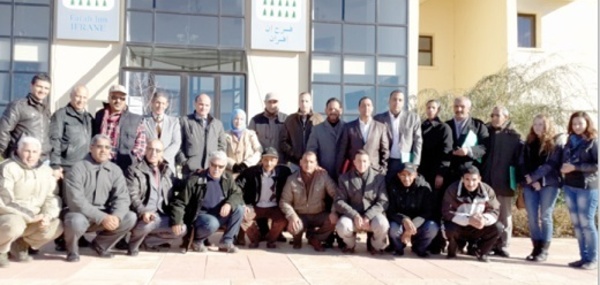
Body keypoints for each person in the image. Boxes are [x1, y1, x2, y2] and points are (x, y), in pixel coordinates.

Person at [63, 134, 137, 262]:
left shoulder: (115, 170)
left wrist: (116, 216)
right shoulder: (77, 169)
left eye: (107, 147)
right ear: (91, 148)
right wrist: (102, 217)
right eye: (99, 147)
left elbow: (123, 198)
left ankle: (100, 245)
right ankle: (72, 250)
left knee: (130, 217)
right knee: (75, 221)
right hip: (81, 214)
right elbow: (76, 201)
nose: (103, 150)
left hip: (106, 215)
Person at [0, 137, 62, 267]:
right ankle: (1, 250)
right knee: (14, 225)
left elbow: (52, 197)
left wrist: (47, 216)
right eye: (26, 151)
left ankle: (20, 244)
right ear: (18, 150)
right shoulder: (7, 167)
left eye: (34, 152)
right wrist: (30, 216)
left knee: (57, 226)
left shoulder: (46, 171)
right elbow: (4, 200)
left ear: (40, 153)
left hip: (35, 216)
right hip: (9, 215)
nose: (30, 155)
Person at [170, 150, 244, 253]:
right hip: (200, 217)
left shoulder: (228, 178)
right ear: (209, 164)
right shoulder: (195, 180)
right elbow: (179, 202)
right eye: (214, 165)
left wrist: (229, 203)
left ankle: (226, 242)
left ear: (225, 167)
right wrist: (177, 221)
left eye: (220, 166)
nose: (216, 169)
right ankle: (197, 241)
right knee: (212, 223)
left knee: (239, 209)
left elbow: (237, 193)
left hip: (219, 214)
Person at [125, 139, 186, 256]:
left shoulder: (167, 171)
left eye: (158, 150)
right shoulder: (133, 170)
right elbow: (132, 195)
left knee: (181, 228)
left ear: (162, 154)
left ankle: (148, 241)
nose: (154, 153)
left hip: (160, 214)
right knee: (148, 224)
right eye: (150, 149)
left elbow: (180, 185)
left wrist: (197, 176)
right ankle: (133, 244)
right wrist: (143, 212)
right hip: (142, 216)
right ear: (145, 150)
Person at [519, 114, 564, 262]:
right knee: (532, 217)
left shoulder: (555, 144)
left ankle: (544, 250)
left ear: (547, 126)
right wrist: (530, 179)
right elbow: (522, 162)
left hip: (549, 184)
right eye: (536, 124)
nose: (538, 127)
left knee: (545, 216)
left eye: (541, 124)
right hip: (530, 184)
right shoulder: (528, 143)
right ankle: (536, 248)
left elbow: (551, 165)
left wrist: (539, 180)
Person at [481, 106, 522, 258]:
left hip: (505, 182)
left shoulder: (515, 137)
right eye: (492, 115)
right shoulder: (485, 133)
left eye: (498, 115)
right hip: (486, 182)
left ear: (506, 117)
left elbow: (520, 161)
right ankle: (488, 244)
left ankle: (503, 245)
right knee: (487, 214)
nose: (494, 118)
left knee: (505, 216)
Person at [560, 111, 598, 270]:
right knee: (577, 224)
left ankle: (593, 258)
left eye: (580, 124)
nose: (577, 127)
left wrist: (575, 167)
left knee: (587, 223)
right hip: (570, 186)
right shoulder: (570, 140)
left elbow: (597, 165)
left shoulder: (593, 142)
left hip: (587, 187)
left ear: (587, 124)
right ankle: (583, 257)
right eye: (574, 124)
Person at [279, 151, 338, 251]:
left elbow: (337, 194)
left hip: (319, 213)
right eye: (305, 161)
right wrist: (292, 216)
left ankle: (315, 238)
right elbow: (284, 201)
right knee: (295, 228)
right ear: (300, 162)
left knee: (333, 221)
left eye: (311, 162)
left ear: (316, 164)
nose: (308, 165)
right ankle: (297, 238)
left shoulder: (323, 176)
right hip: (300, 215)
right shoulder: (292, 179)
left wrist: (334, 212)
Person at [442, 166, 502, 262]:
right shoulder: (452, 189)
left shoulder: (488, 190)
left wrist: (484, 219)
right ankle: (453, 249)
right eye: (467, 179)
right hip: (460, 226)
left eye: (474, 180)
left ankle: (482, 252)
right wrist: (468, 219)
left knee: (498, 227)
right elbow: (447, 212)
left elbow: (494, 210)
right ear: (462, 179)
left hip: (479, 226)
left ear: (479, 179)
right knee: (449, 228)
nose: (470, 183)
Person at [335, 150, 389, 254]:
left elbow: (383, 201)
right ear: (354, 162)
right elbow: (339, 201)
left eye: (364, 161)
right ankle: (350, 244)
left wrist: (368, 216)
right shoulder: (344, 178)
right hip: (353, 216)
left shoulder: (379, 178)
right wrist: (355, 215)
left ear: (369, 162)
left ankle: (375, 246)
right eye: (359, 161)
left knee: (383, 224)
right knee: (342, 225)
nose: (362, 164)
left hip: (373, 216)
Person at [237, 147, 291, 248]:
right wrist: (243, 204)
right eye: (266, 160)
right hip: (255, 206)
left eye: (272, 160)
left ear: (277, 161)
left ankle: (271, 239)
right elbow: (237, 187)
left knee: (283, 219)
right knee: (242, 217)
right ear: (261, 160)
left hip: (274, 206)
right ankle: (255, 238)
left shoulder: (284, 172)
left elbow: (296, 177)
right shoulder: (251, 172)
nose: (268, 163)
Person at [418, 99, 452, 253]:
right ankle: (422, 241)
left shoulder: (444, 128)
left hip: (436, 175)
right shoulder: (421, 126)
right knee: (424, 208)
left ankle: (438, 243)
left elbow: (447, 152)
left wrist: (441, 173)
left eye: (433, 107)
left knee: (436, 209)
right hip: (421, 174)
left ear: (438, 110)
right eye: (428, 107)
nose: (430, 110)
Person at [387, 163, 438, 257]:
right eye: (403, 175)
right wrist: (404, 219)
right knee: (393, 228)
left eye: (409, 175)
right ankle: (398, 248)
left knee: (432, 227)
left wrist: (411, 227)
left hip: (419, 223)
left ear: (415, 174)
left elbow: (428, 212)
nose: (406, 179)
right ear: (398, 175)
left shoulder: (424, 187)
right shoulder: (393, 186)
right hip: (400, 222)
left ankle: (419, 248)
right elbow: (391, 210)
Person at [93, 84, 146, 172]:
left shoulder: (135, 119)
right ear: (109, 98)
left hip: (125, 168)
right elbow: (93, 139)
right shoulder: (99, 116)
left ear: (125, 100)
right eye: (114, 97)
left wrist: (132, 161)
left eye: (122, 98)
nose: (118, 101)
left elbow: (141, 147)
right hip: (100, 165)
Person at [0, 73, 52, 162]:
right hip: (21, 159)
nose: (43, 90)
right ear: (31, 86)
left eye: (46, 88)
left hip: (43, 160)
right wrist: (6, 155)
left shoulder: (46, 110)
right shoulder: (18, 106)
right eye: (39, 86)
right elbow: (3, 130)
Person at [373, 90, 422, 182]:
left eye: (400, 100)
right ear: (389, 101)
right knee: (387, 187)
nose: (397, 102)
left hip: (406, 159)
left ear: (403, 103)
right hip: (387, 161)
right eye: (394, 99)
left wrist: (415, 164)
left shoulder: (413, 118)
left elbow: (418, 142)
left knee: (405, 188)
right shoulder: (378, 119)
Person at [178, 94, 226, 177]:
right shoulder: (185, 121)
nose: (204, 108)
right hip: (190, 171)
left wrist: (217, 164)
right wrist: (184, 162)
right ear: (195, 104)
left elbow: (222, 146)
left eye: (207, 105)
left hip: (211, 170)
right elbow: (178, 145)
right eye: (201, 104)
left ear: (210, 106)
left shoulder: (217, 124)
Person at [338, 97, 389, 174]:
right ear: (359, 108)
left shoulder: (381, 127)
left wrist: (383, 170)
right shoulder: (348, 127)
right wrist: (340, 172)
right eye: (363, 105)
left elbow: (385, 151)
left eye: (369, 105)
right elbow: (342, 151)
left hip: (374, 172)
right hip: (353, 171)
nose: (366, 108)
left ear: (372, 108)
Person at [445, 97, 489, 184]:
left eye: (462, 106)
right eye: (456, 106)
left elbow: (485, 147)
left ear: (469, 109)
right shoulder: (446, 126)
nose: (459, 109)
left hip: (470, 175)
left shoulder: (478, 125)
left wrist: (468, 151)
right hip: (449, 173)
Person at [280, 92, 324, 170]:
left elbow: (323, 141)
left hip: (312, 163)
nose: (304, 103)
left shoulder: (318, 119)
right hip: (295, 163)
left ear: (311, 102)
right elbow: (283, 141)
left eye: (306, 101)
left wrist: (315, 156)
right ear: (298, 103)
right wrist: (293, 153)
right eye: (302, 101)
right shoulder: (290, 119)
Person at [306, 97, 345, 181]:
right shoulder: (317, 129)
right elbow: (311, 150)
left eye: (335, 109)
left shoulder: (347, 128)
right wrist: (316, 166)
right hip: (323, 176)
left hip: (344, 176)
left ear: (341, 111)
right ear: (326, 110)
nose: (333, 111)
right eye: (330, 109)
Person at [142, 92, 181, 174]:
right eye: (157, 102)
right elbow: (142, 142)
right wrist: (152, 156)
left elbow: (176, 143)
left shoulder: (174, 122)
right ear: (152, 103)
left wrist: (161, 157)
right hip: (148, 165)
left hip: (167, 166)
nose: (160, 106)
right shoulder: (143, 121)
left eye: (163, 103)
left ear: (166, 105)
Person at [248, 92, 288, 162]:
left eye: (274, 102)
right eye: (269, 102)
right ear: (265, 103)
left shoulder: (286, 119)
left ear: (278, 103)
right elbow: (249, 142)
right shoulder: (255, 120)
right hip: (261, 162)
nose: (272, 105)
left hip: (281, 161)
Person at [225, 108, 262, 177]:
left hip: (248, 172)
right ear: (232, 120)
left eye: (241, 119)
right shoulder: (225, 135)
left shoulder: (251, 134)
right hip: (230, 173)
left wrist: (246, 164)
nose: (238, 121)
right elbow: (221, 153)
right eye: (236, 118)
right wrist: (233, 165)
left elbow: (259, 151)